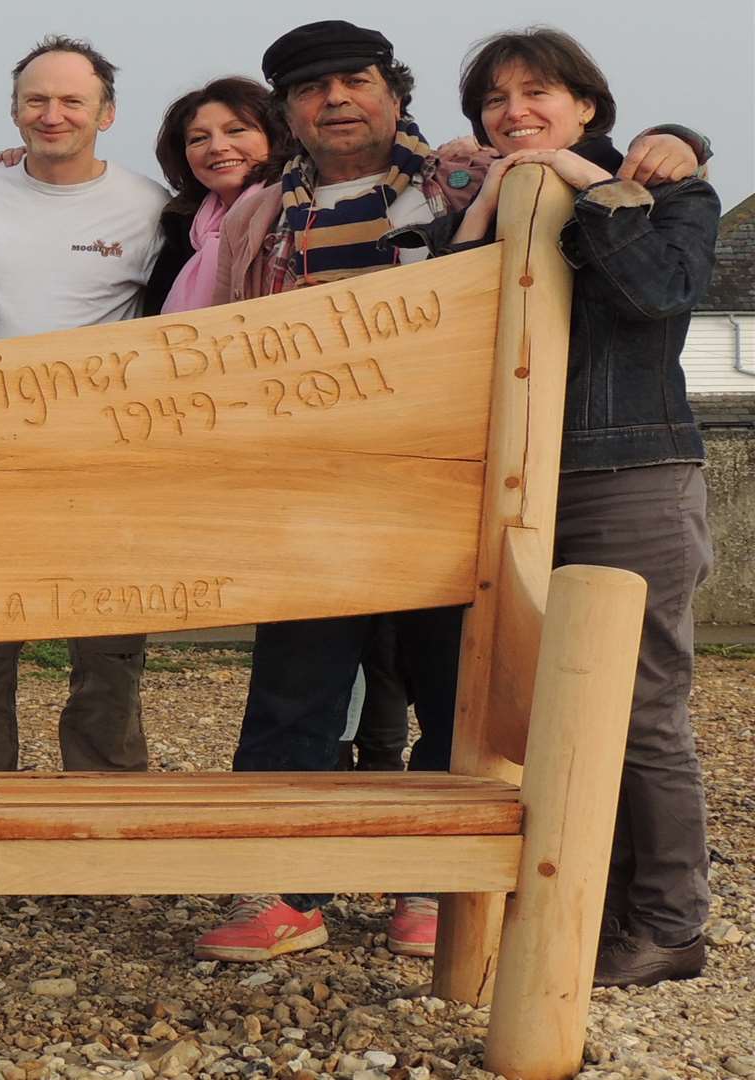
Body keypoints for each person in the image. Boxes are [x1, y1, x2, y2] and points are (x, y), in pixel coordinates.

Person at [193, 19, 706, 964]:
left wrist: (681, 139)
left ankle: (438, 885)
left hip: (447, 477)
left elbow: (591, 177)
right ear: (289, 111)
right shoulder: (261, 212)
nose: (334, 99)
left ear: (395, 92)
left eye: (354, 80)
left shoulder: (468, 175)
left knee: (456, 686)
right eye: (311, 89)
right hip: (310, 485)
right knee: (293, 691)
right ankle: (282, 888)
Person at [439, 27, 719, 988]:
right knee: (543, 705)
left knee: (640, 705)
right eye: (494, 99)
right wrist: (485, 196)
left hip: (631, 473)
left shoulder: (667, 191)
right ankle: (589, 906)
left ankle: (673, 922)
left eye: (538, 92)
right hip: (519, 481)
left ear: (587, 103)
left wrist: (581, 181)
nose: (514, 111)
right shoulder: (496, 195)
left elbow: (655, 294)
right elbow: (448, 311)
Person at [0, 36, 165, 775]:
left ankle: (105, 816)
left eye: (72, 101)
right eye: (37, 99)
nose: (53, 114)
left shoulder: (149, 206)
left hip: (104, 461)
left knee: (109, 653)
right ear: (13, 110)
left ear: (107, 112)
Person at [142, 77, 283, 315]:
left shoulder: (296, 212)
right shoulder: (181, 230)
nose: (217, 147)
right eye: (198, 138)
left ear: (274, 136)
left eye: (236, 130)